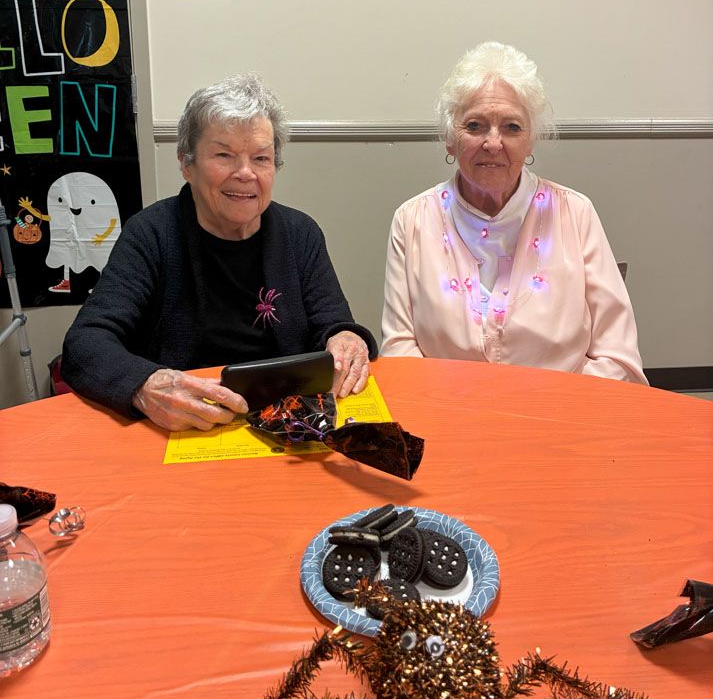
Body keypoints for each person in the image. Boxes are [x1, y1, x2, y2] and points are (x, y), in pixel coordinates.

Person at [62, 75, 377, 430]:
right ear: (186, 164)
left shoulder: (300, 233)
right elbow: (85, 343)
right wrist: (145, 386)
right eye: (224, 155)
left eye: (261, 158)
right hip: (184, 424)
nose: (245, 173)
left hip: (288, 421)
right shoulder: (151, 234)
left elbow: (333, 323)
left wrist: (347, 339)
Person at [381, 42, 647, 384]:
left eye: (512, 127)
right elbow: (400, 349)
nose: (493, 143)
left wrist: (549, 408)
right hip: (450, 408)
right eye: (474, 126)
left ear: (531, 140)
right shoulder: (413, 219)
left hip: (563, 408)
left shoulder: (575, 212)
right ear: (450, 139)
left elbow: (617, 357)